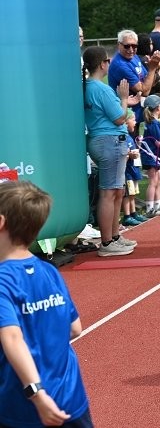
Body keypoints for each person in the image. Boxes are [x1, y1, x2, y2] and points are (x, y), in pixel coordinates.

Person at [0, 181, 94, 427]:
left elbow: (11, 337)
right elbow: (75, 328)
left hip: (25, 408)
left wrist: (37, 393)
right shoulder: (49, 271)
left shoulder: (3, 281)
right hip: (70, 398)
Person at [82, 46, 137, 256]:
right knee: (109, 192)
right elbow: (119, 117)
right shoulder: (100, 88)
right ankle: (107, 242)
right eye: (107, 61)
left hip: (103, 140)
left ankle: (113, 236)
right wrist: (123, 98)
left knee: (116, 190)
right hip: (109, 140)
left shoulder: (87, 86)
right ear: (102, 63)